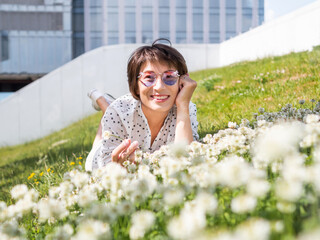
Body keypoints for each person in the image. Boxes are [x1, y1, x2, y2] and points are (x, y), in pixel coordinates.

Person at [85, 39, 199, 171]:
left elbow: (189, 161)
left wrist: (183, 105)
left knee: (110, 112)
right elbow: (106, 168)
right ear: (136, 85)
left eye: (169, 76)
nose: (159, 87)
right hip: (98, 162)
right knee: (98, 142)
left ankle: (105, 103)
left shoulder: (186, 107)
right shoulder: (117, 111)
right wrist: (121, 167)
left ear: (182, 82)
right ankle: (102, 101)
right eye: (149, 77)